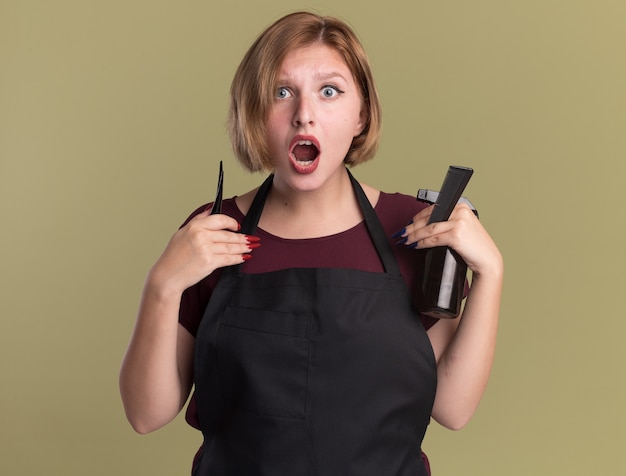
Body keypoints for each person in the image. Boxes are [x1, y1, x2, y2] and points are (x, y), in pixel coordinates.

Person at [119, 11, 503, 476]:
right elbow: (146, 414)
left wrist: (490, 274)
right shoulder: (213, 232)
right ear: (256, 113)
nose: (305, 113)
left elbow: (453, 409)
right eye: (282, 93)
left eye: (329, 91)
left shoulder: (414, 229)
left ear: (361, 114)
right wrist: (161, 285)